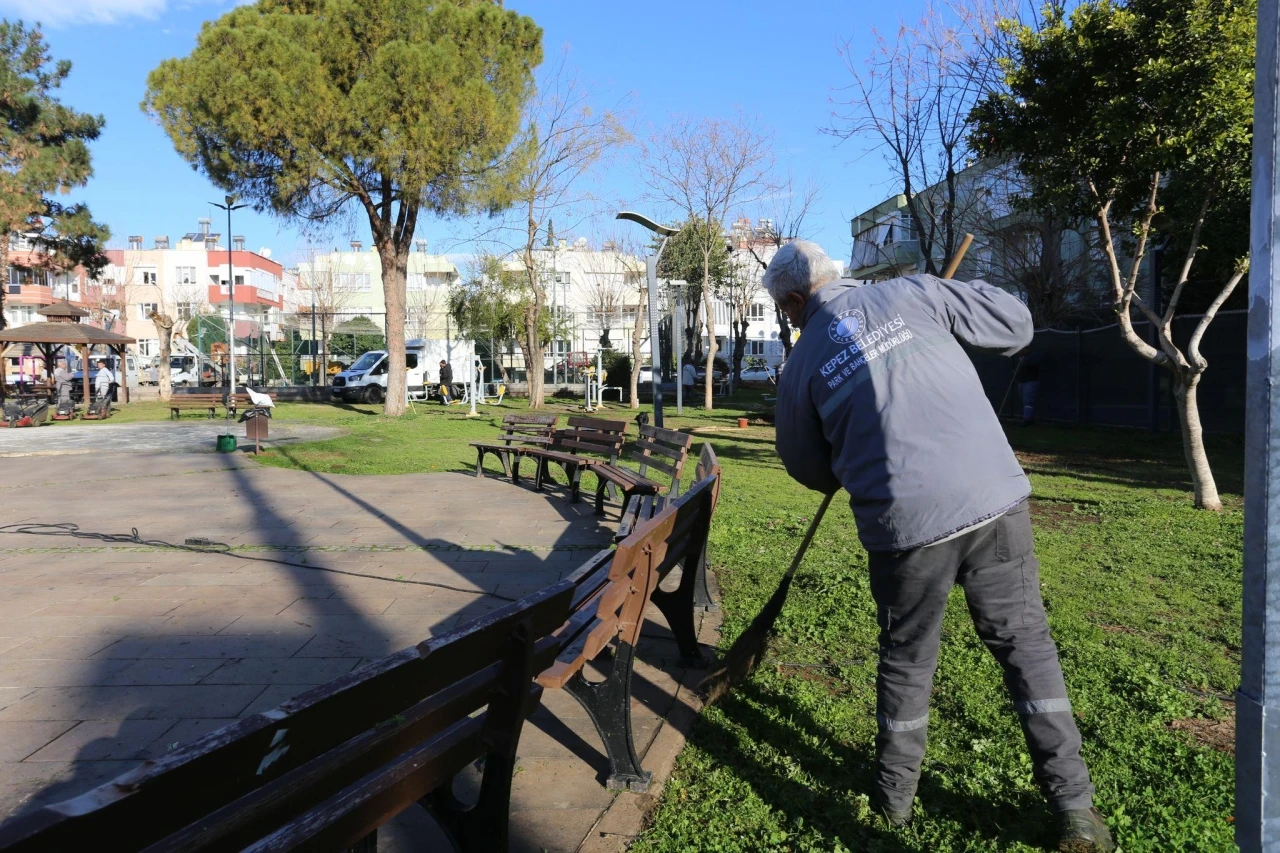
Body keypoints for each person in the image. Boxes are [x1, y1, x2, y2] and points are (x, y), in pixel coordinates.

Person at [767, 240, 1112, 852]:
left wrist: (850, 459)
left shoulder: (800, 367)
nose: (790, 321)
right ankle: (1075, 811)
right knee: (1027, 649)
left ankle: (894, 804)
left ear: (797, 299)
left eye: (786, 312)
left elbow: (807, 468)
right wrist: (942, 302)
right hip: (993, 501)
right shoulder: (914, 292)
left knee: (907, 660)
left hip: (904, 529)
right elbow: (1016, 324)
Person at [1016, 346, 1043, 426]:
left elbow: (1034, 364)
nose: (1019, 352)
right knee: (1025, 401)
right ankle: (1029, 418)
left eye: (1021, 350)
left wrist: (1024, 361)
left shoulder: (1033, 356)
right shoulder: (1022, 357)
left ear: (1026, 349)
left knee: (1028, 401)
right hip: (1022, 381)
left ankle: (1027, 420)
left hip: (1030, 382)